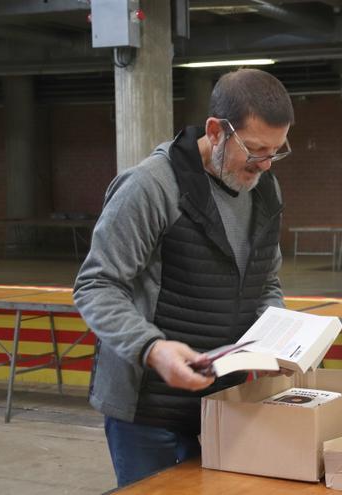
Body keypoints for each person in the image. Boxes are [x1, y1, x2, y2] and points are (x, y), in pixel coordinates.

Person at [73, 68, 294, 487]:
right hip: (148, 409)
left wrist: (279, 334)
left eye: (276, 151)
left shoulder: (265, 190)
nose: (265, 164)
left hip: (222, 402)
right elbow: (96, 285)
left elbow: (267, 283)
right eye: (256, 150)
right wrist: (152, 348)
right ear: (216, 131)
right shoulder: (151, 188)